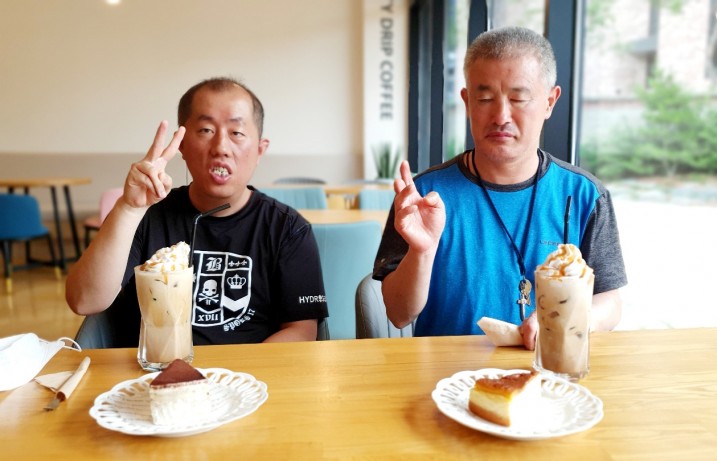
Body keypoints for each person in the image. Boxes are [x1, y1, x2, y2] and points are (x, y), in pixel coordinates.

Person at [373, 27, 627, 350]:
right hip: (447, 374)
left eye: (518, 98)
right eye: (484, 99)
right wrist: (422, 252)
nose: (501, 116)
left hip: (548, 369)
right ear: (467, 102)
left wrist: (570, 318)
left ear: (550, 102)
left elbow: (609, 301)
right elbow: (398, 314)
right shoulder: (424, 196)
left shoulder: (584, 195)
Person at [66, 77, 328, 346]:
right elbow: (84, 301)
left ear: (260, 150)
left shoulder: (288, 229)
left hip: (249, 372)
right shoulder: (146, 215)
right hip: (153, 369)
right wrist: (129, 209)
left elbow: (301, 331)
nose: (221, 147)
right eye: (205, 130)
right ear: (182, 145)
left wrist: (230, 372)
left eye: (236, 133)